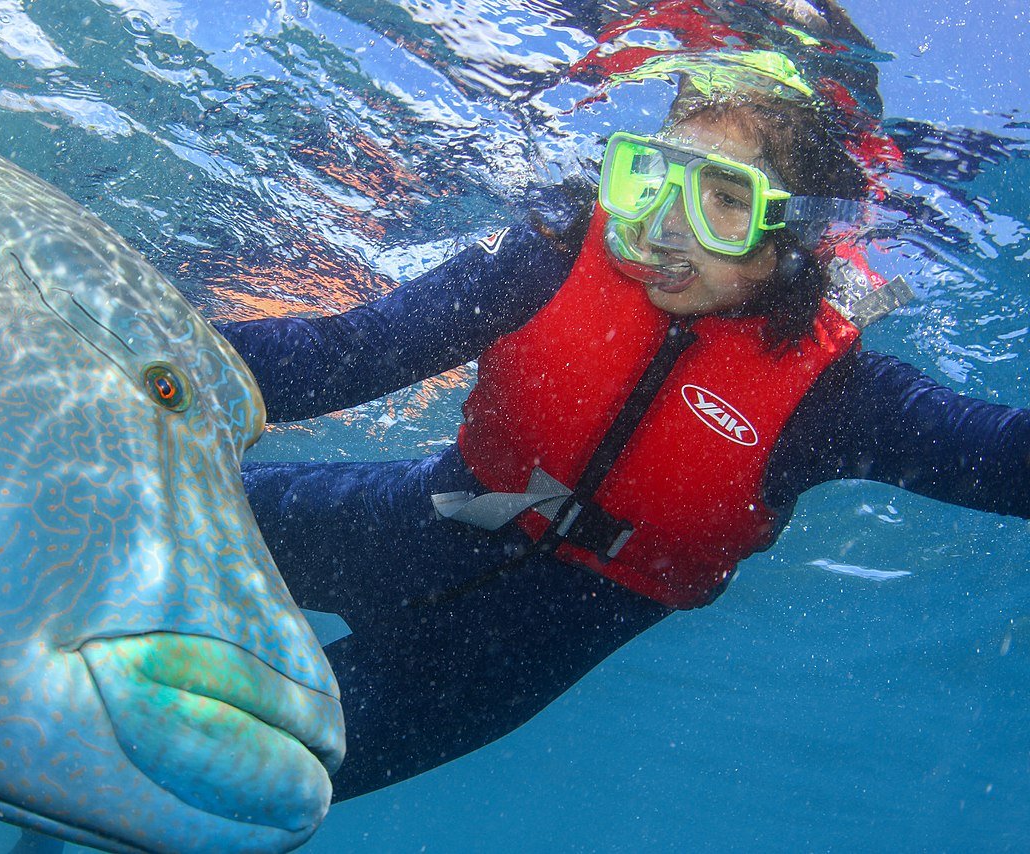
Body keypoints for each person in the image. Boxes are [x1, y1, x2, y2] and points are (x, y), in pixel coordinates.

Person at [214, 5, 1030, 803]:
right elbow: (341, 357)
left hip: (524, 644)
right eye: (654, 178)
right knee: (126, 510)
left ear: (797, 235)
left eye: (725, 199)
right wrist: (120, 344)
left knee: (228, 780)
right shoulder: (554, 258)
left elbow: (1006, 459)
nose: (667, 228)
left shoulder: (837, 399)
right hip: (426, 514)